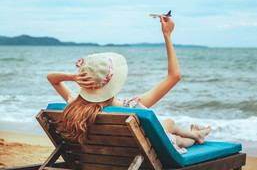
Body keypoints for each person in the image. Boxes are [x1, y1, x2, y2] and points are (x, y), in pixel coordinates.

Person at [47, 16, 211, 154]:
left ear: (83, 82)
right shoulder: (131, 107)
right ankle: (196, 137)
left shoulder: (75, 104)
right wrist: (167, 35)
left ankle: (197, 134)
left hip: (110, 152)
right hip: (139, 152)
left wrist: (72, 77)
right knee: (175, 136)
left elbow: (52, 78)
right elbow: (174, 76)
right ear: (112, 83)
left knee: (168, 124)